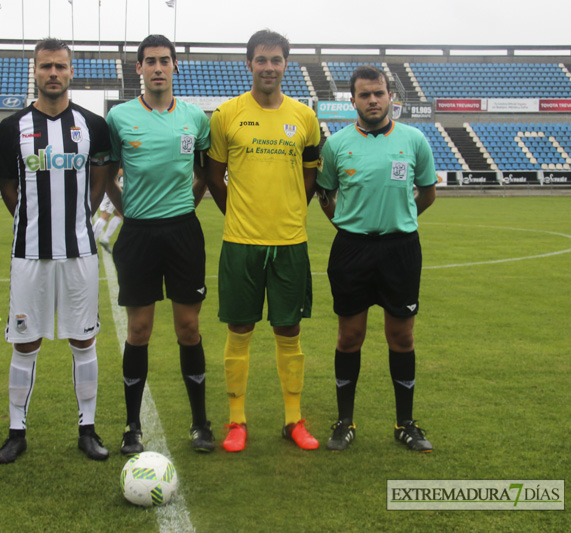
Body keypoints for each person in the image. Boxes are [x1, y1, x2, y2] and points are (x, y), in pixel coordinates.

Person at [0, 38, 113, 463]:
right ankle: (16, 432)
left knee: (85, 340)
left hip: (79, 253)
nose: (53, 74)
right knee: (25, 343)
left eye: (60, 66)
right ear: (36, 72)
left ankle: (88, 429)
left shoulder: (93, 124)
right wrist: (31, 219)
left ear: (70, 71)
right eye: (46, 67)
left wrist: (81, 214)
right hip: (29, 254)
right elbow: (8, 187)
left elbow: (100, 179)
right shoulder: (12, 128)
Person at [205, 30, 321, 452]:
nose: (268, 67)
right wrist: (236, 211)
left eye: (276, 60)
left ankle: (294, 419)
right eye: (261, 59)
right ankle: (237, 421)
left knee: (289, 329)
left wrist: (293, 208)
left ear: (286, 64)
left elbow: (309, 173)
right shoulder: (227, 114)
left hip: (290, 240)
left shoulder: (304, 117)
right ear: (248, 63)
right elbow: (214, 175)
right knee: (240, 328)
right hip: (241, 240)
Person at [316, 65, 437, 452]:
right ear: (352, 100)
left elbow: (427, 193)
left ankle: (405, 424)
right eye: (364, 95)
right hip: (351, 249)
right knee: (350, 336)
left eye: (379, 93)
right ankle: (344, 422)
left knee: (401, 336)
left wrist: (399, 219)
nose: (372, 100)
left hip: (400, 249)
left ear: (390, 97)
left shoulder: (414, 140)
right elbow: (325, 195)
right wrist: (350, 226)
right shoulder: (335, 145)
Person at [106, 34, 214, 454]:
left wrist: (188, 202)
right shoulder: (119, 118)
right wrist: (127, 207)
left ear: (174, 67)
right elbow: (110, 173)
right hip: (138, 234)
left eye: (164, 60)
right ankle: (132, 426)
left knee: (189, 328)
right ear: (138, 68)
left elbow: (204, 172)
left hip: (183, 232)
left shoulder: (194, 118)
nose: (157, 67)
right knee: (139, 329)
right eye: (149, 61)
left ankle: (200, 423)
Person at [91, 168, 123, 253]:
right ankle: (90, 242)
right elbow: (119, 171)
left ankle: (105, 239)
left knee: (119, 215)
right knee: (105, 216)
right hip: (110, 188)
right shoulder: (120, 157)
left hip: (113, 187)